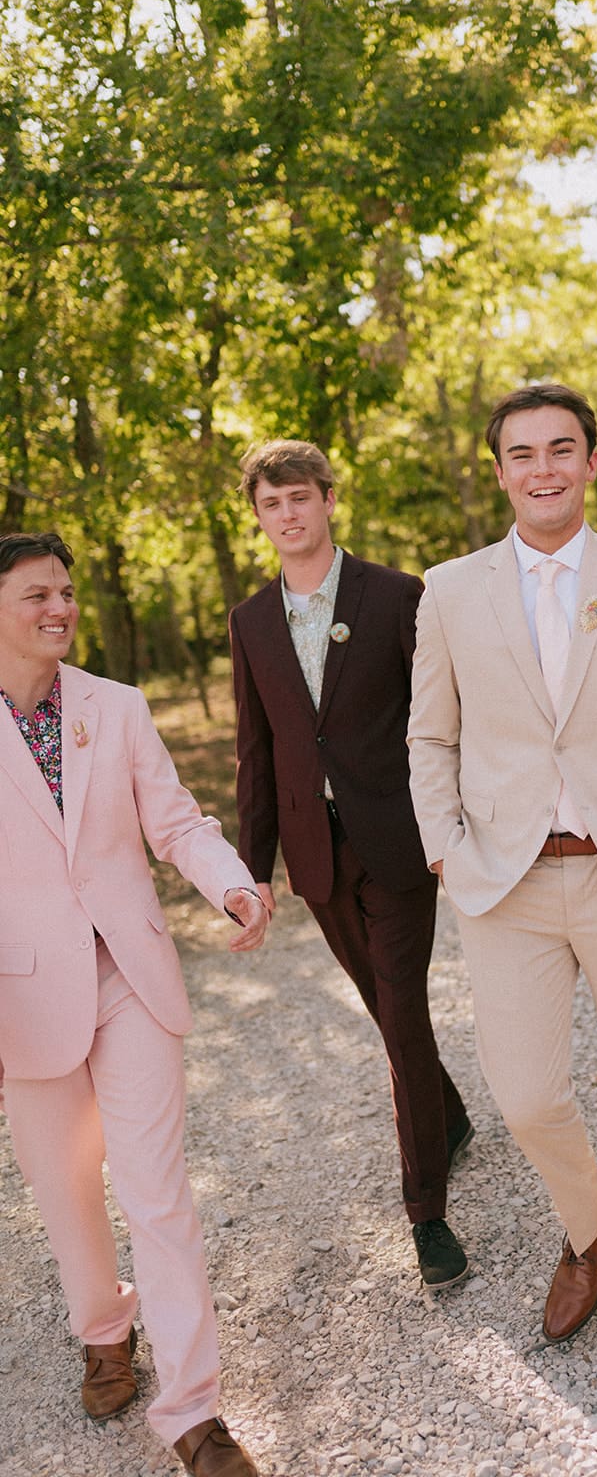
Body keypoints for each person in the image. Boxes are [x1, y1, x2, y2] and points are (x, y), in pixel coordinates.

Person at [407, 383, 597, 1391]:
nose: (543, 468)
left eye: (562, 449)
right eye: (523, 453)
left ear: (591, 461)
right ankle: (592, 1220)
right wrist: (447, 851)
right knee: (528, 1094)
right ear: (498, 471)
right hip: (505, 884)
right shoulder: (450, 590)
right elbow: (430, 737)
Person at [0, 532, 267, 1477]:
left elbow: (178, 821)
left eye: (66, 593)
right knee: (65, 1189)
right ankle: (102, 1328)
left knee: (158, 1192)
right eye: (38, 595)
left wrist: (231, 885)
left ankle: (194, 1413)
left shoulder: (114, 707)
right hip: (20, 1000)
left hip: (131, 980)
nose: (60, 608)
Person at [229, 439, 472, 1290]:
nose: (288, 514)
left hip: (398, 840)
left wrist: (454, 821)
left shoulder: (398, 594)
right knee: (380, 1004)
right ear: (257, 516)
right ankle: (448, 1113)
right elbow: (254, 753)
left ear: (329, 499)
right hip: (314, 853)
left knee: (401, 1013)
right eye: (271, 503)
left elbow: (440, 718)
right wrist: (251, 871)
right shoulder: (250, 622)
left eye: (300, 497)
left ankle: (427, 1215)